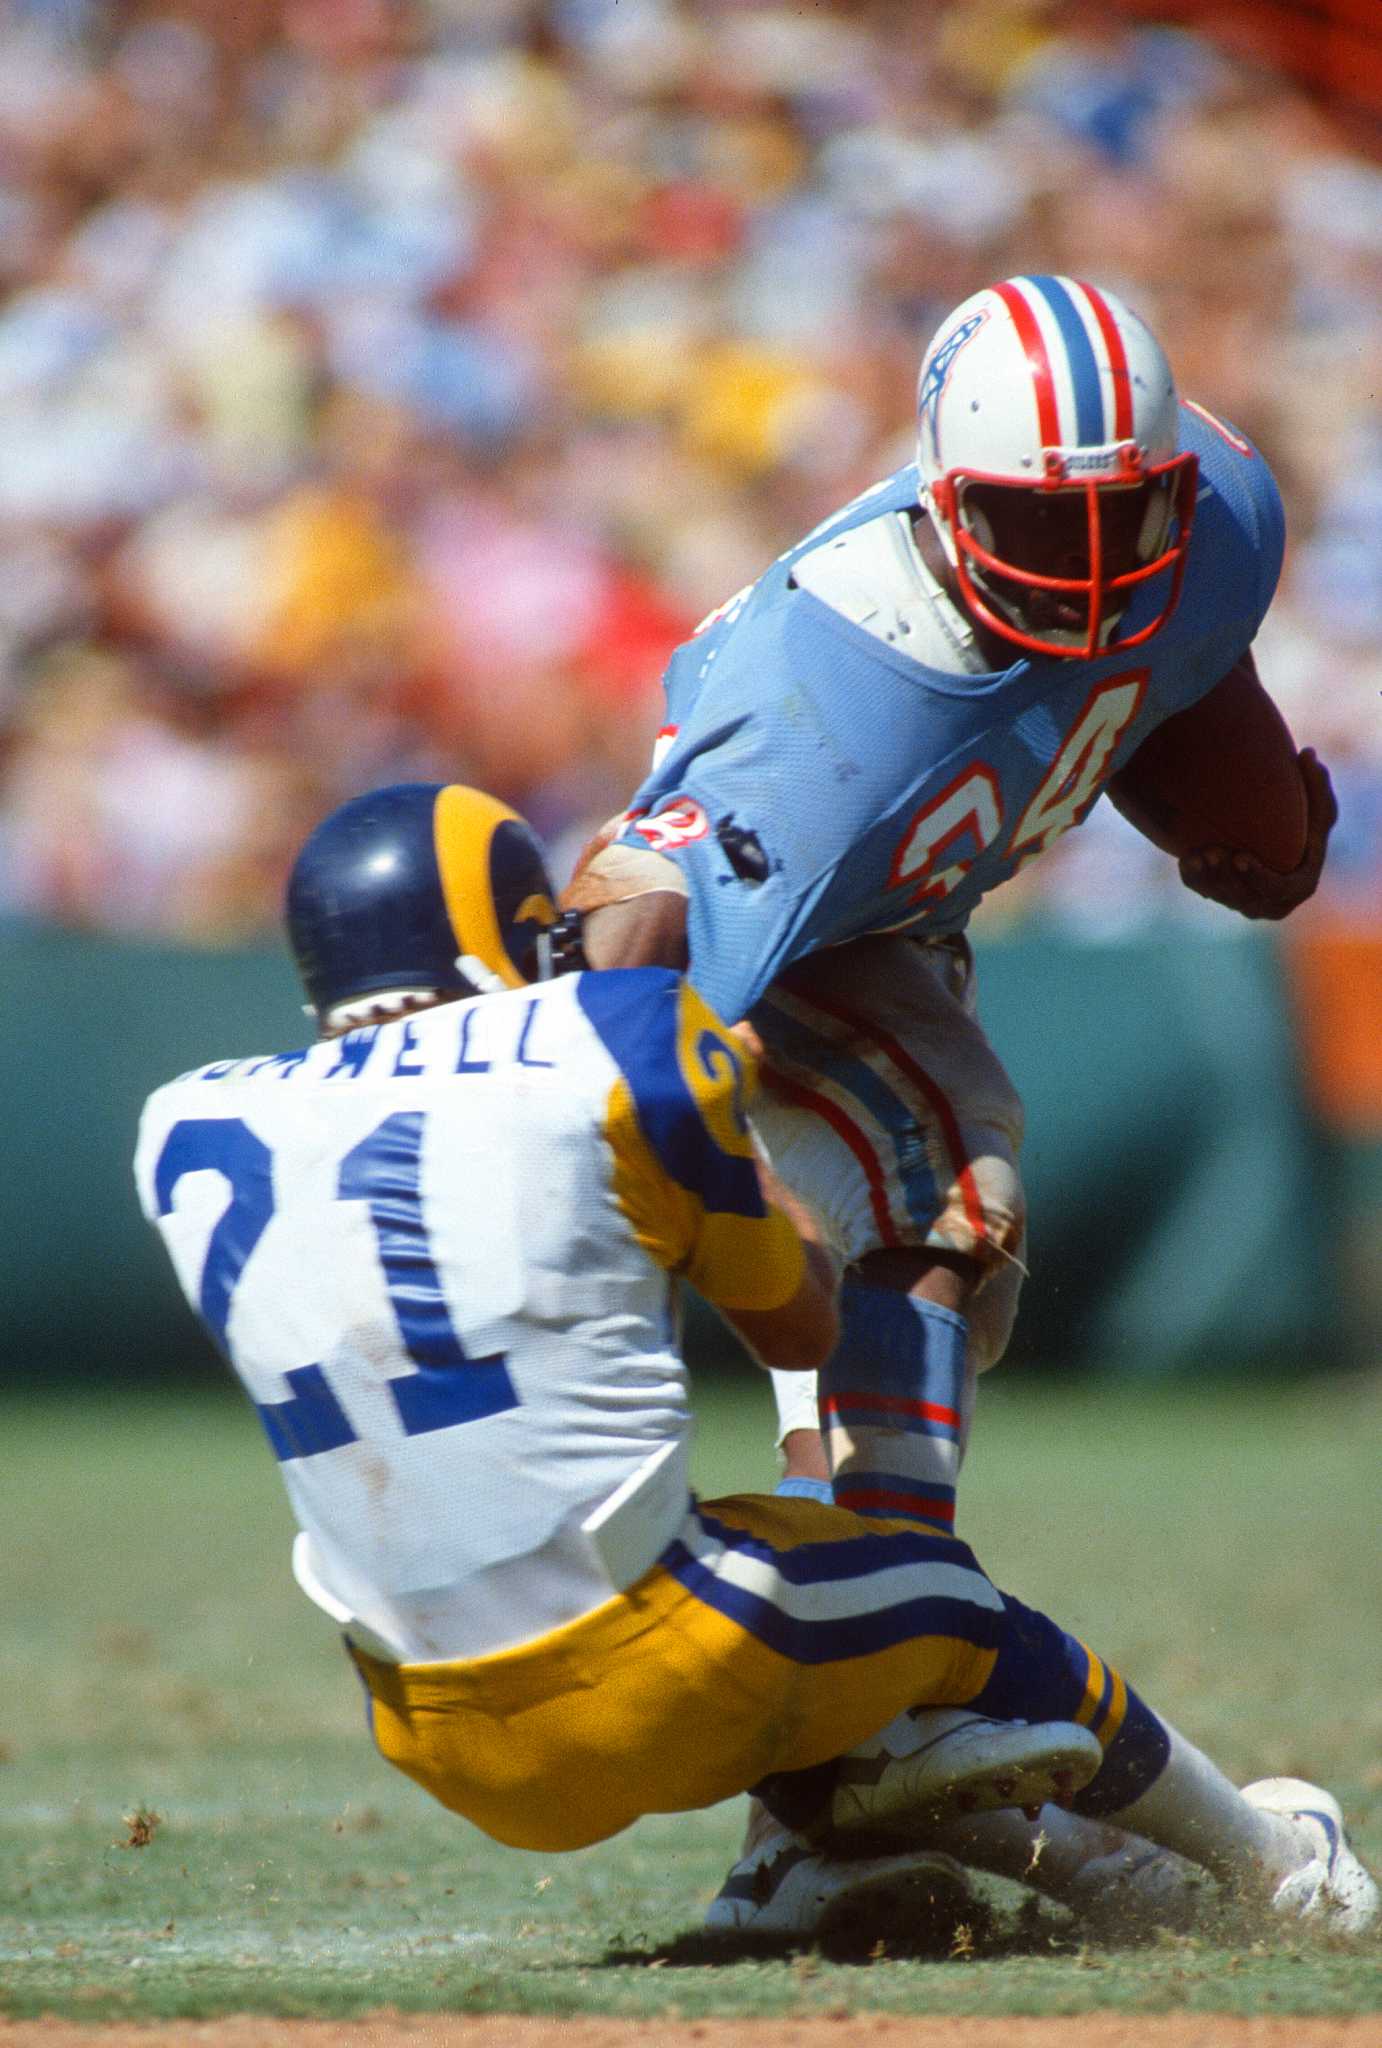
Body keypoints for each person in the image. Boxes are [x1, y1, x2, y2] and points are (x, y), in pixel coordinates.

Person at [133, 780, 1375, 1949]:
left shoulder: (192, 1116)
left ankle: (825, 1837)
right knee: (948, 1602)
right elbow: (796, 1326)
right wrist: (746, 1167)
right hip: (660, 1663)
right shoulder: (603, 1035)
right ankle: (1272, 1859)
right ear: (506, 934)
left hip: (426, 1725)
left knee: (788, 1578)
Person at [558, 275, 1343, 1927]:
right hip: (764, 956)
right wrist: (591, 1103)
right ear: (941, 497)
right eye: (1036, 530)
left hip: (894, 923)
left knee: (931, 1261)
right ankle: (893, 1661)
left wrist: (1243, 802)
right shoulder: (831, 701)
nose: (1090, 569)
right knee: (935, 1171)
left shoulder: (1215, 523)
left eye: (1120, 520)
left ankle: (833, 1768)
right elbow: (633, 906)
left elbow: (1172, 666)